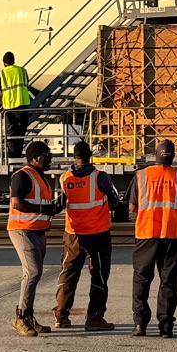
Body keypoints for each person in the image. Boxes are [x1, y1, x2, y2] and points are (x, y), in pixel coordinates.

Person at [128, 138, 177, 338]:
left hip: (146, 234)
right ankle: (166, 326)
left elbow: (132, 207)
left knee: (141, 279)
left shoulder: (141, 175)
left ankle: (140, 324)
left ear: (155, 155)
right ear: (173, 156)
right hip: (171, 234)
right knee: (168, 281)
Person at [53, 140, 121, 331]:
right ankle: (94, 317)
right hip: (98, 234)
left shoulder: (64, 177)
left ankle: (61, 316)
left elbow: (60, 203)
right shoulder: (100, 177)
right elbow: (114, 201)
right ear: (90, 156)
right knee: (99, 275)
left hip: (73, 235)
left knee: (68, 274)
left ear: (75, 157)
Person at [8, 140, 61, 336]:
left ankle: (28, 316)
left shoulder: (42, 178)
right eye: (47, 156)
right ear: (35, 158)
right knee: (33, 272)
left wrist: (54, 206)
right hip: (23, 229)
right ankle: (21, 317)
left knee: (32, 274)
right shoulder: (22, 175)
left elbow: (42, 205)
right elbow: (17, 203)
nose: (50, 159)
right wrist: (43, 208)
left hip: (38, 231)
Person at [0, 51, 32, 159]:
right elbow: (27, 85)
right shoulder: (22, 70)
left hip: (8, 107)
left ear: (4, 62)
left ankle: (12, 156)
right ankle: (18, 154)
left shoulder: (2, 73)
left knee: (10, 133)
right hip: (22, 105)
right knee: (21, 132)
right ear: (14, 61)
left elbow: (0, 88)